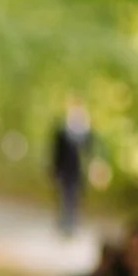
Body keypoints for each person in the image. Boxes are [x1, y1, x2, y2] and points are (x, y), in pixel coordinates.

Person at [48, 96, 95, 236]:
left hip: (78, 172)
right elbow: (56, 152)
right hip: (65, 170)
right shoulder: (62, 131)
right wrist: (54, 170)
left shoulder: (85, 132)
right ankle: (64, 224)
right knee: (64, 196)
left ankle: (72, 224)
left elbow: (89, 152)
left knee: (75, 198)